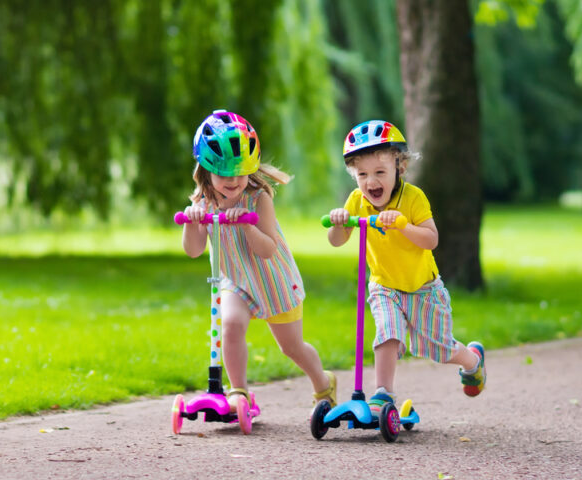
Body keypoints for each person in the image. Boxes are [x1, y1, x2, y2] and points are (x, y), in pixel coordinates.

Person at [325, 120, 485, 415]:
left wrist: (403, 225)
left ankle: (472, 360)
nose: (371, 182)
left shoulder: (413, 198)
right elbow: (337, 240)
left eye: (379, 172)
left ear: (399, 167)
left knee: (439, 348)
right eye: (362, 174)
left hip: (423, 288)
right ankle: (383, 394)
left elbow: (432, 239)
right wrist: (339, 221)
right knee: (388, 332)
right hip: (384, 285)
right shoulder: (356, 201)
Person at [181, 109, 336, 413]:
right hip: (235, 280)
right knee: (231, 324)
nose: (233, 180)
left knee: (291, 347)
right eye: (224, 173)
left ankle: (323, 382)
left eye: (240, 172)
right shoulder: (202, 201)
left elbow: (267, 249)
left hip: (272, 280)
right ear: (206, 169)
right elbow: (194, 250)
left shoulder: (258, 198)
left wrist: (247, 226)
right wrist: (192, 221)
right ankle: (239, 392)